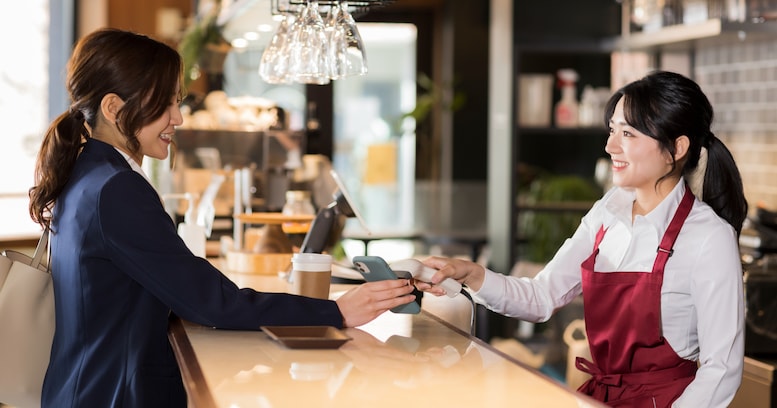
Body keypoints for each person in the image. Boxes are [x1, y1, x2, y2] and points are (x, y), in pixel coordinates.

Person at [27, 28, 416, 408]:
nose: (177, 118)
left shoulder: (89, 173)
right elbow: (209, 302)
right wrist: (336, 311)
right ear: (114, 108)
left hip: (87, 387)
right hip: (114, 393)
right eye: (164, 104)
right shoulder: (117, 188)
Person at [419, 71, 747, 407]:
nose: (610, 146)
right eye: (612, 130)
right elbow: (541, 296)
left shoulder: (708, 237)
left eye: (628, 134)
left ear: (676, 148)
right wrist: (473, 275)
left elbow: (721, 369)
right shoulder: (608, 212)